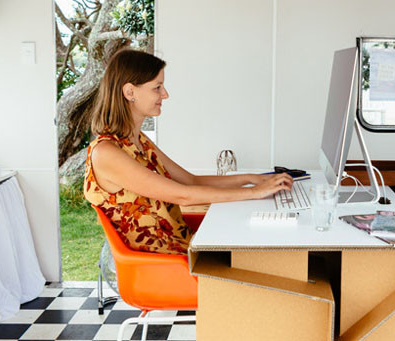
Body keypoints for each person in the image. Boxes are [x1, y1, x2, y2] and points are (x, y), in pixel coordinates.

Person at [84, 49, 292, 254]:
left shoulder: (138, 141)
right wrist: (254, 193)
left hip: (185, 246)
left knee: (273, 245)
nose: (165, 94)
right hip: (168, 265)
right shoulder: (107, 153)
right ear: (130, 92)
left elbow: (191, 181)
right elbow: (182, 195)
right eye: (157, 87)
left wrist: (253, 179)